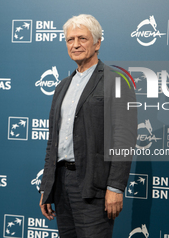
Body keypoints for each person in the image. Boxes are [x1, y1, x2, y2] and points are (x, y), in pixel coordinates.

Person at [39, 14, 137, 238]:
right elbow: (52, 141)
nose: (75, 45)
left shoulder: (116, 80)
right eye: (70, 39)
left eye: (82, 38)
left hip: (95, 185)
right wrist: (47, 187)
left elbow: (124, 137)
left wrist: (115, 187)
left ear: (97, 43)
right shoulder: (62, 86)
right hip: (61, 183)